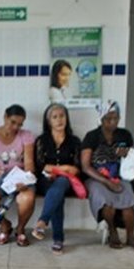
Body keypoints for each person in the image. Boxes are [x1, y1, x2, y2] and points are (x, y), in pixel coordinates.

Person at [80, 101, 134, 251]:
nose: (113, 122)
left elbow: (131, 159)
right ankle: (113, 232)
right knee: (106, 203)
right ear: (101, 119)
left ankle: (131, 236)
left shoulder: (124, 135)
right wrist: (106, 181)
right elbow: (85, 166)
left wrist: (127, 154)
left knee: (129, 203)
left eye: (116, 118)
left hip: (119, 176)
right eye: (108, 118)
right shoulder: (92, 136)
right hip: (96, 177)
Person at [0, 104, 36, 247]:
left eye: (20, 124)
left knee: (27, 198)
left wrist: (25, 180)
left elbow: (29, 163)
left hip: (19, 175)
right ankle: (5, 225)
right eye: (13, 122)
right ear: (5, 117)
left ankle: (20, 229)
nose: (15, 127)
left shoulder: (26, 136)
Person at [31, 104, 83, 255]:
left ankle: (43, 221)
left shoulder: (74, 141)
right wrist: (64, 168)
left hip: (67, 182)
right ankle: (57, 239)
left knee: (60, 184)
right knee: (57, 194)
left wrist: (57, 169)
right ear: (48, 121)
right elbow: (40, 166)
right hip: (44, 181)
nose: (59, 120)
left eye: (62, 116)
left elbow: (76, 168)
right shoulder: (42, 140)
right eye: (55, 117)